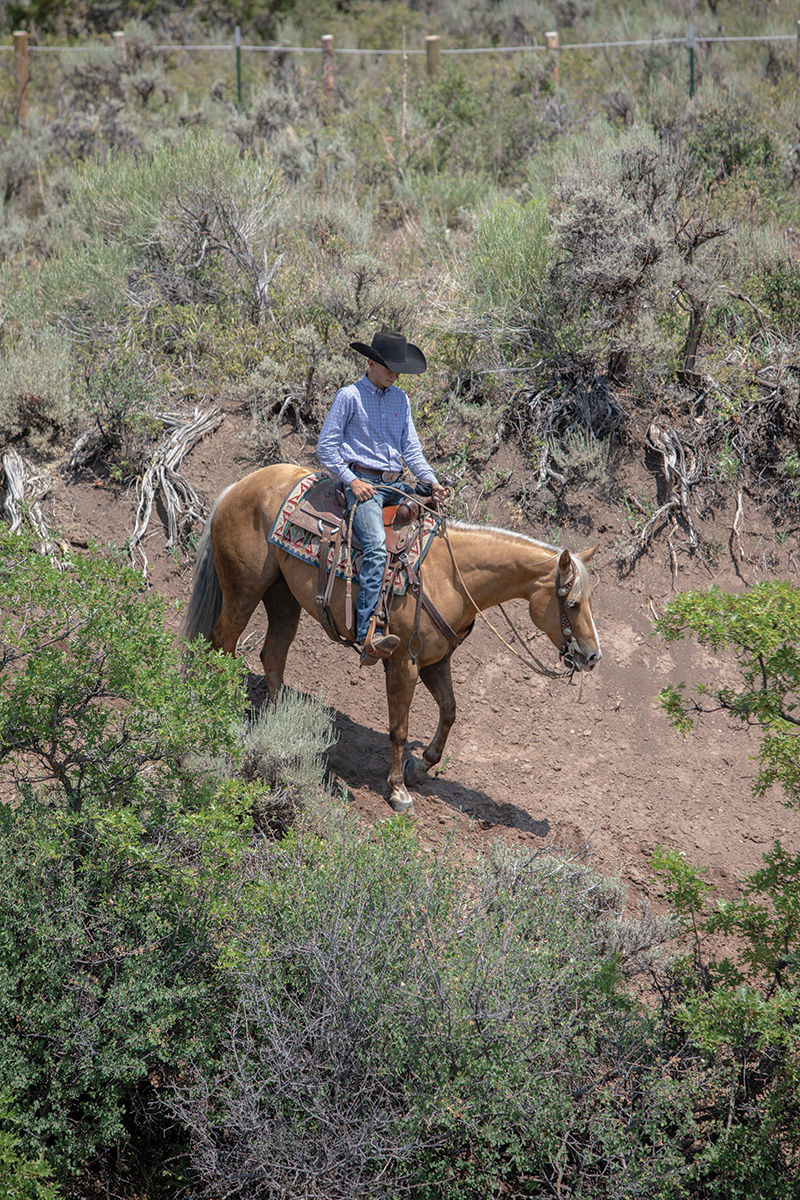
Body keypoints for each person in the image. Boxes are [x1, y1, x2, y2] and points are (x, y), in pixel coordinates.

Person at [316, 331, 447, 664]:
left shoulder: (400, 400)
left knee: (434, 535)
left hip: (396, 484)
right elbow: (326, 448)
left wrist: (431, 481)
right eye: (388, 367)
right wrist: (351, 480)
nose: (394, 374)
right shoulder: (349, 396)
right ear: (370, 362)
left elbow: (411, 451)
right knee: (375, 548)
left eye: (398, 369)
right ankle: (367, 633)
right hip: (363, 484)